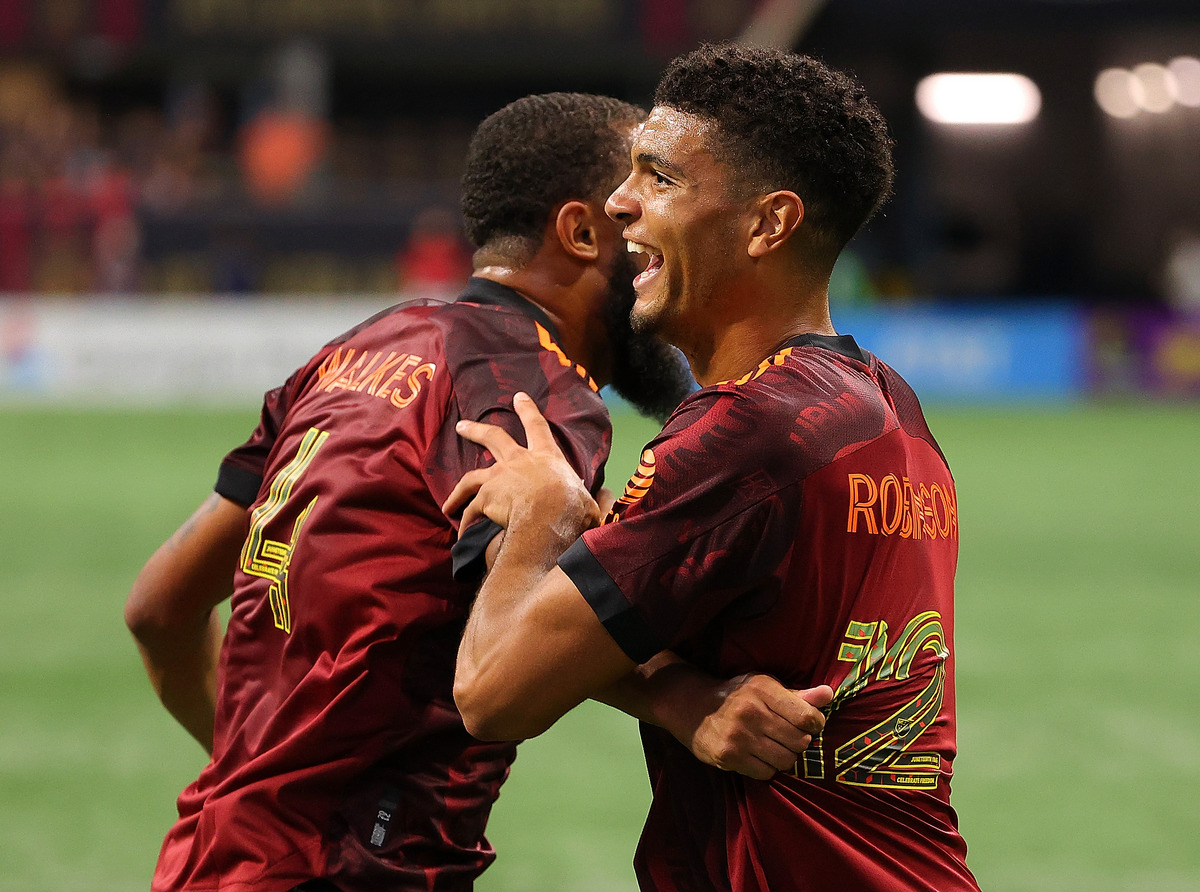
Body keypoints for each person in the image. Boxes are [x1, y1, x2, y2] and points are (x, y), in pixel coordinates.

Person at [125, 91, 830, 892]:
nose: (647, 229)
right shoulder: (536, 394)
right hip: (356, 869)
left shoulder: (355, 351)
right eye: (630, 202)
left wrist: (264, 777)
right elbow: (524, 635)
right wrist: (688, 700)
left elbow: (159, 608)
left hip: (213, 852)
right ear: (580, 232)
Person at [447, 45, 981, 891]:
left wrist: (544, 511)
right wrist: (684, 697)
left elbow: (491, 692)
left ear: (768, 225)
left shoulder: (746, 432)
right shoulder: (886, 405)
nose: (620, 202)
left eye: (660, 177)